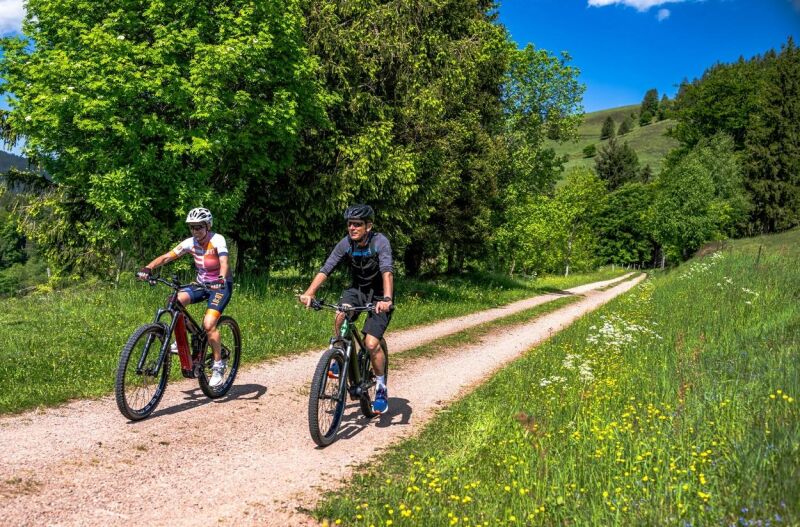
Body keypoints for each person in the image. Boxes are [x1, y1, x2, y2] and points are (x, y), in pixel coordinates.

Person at [299, 204, 394, 414]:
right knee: (341, 313)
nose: (352, 228)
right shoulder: (346, 244)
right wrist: (310, 293)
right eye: (350, 224)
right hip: (357, 290)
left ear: (368, 226)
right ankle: (340, 354)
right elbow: (327, 268)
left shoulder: (380, 242)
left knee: (371, 343)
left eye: (357, 224)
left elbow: (387, 271)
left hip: (379, 295)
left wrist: (387, 299)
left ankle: (380, 387)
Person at [136, 207, 234, 387]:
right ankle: (188, 339)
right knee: (174, 302)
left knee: (209, 324)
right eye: (192, 227)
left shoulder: (217, 240)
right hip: (201, 284)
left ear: (208, 226)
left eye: (199, 227)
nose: (195, 231)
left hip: (220, 286)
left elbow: (224, 262)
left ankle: (219, 365)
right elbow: (167, 257)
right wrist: (148, 268)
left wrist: (221, 279)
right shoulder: (190, 243)